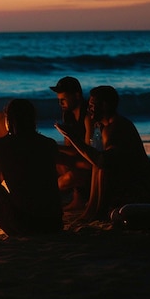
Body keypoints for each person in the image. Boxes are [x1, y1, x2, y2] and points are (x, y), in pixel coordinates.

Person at [55, 85, 150, 221]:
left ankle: (96, 212)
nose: (88, 109)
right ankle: (91, 210)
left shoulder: (117, 127)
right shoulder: (102, 126)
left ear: (104, 106)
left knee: (102, 165)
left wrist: (72, 137)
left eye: (92, 105)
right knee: (99, 164)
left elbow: (102, 160)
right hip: (123, 183)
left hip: (138, 191)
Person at [0, 99, 63, 236]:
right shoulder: (49, 144)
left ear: (9, 120)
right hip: (54, 223)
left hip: (26, 224)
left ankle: (10, 230)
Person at [50, 76, 92, 210]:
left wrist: (55, 147)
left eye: (63, 100)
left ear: (77, 96)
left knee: (66, 177)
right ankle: (75, 195)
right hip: (77, 159)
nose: (60, 104)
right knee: (52, 160)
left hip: (90, 162)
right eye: (59, 100)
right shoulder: (67, 115)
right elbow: (69, 148)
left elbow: (90, 152)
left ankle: (77, 197)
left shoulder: (88, 115)